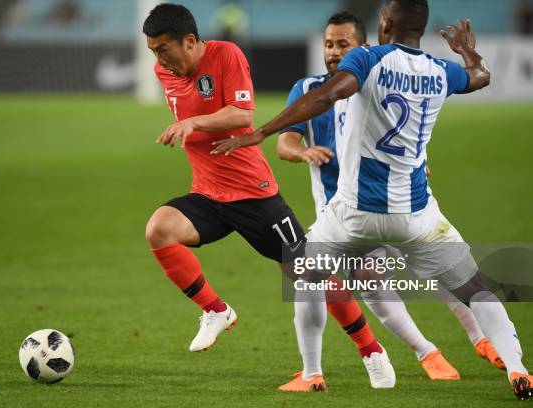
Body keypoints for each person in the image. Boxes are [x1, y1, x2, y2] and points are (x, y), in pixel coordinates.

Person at [212, 0, 531, 400]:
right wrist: (467, 51)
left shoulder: (367, 59)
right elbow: (480, 76)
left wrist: (262, 132)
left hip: (353, 214)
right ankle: (519, 370)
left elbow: (329, 96)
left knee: (305, 275)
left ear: (384, 23)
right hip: (416, 213)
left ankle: (312, 373)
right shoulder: (439, 70)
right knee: (476, 289)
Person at [142, 4, 394, 390]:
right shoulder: (166, 70)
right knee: (159, 229)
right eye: (154, 51)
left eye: (162, 49)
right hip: (208, 192)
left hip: (253, 195)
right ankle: (216, 311)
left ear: (189, 41)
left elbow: (243, 116)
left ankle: (371, 351)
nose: (159, 60)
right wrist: (190, 122)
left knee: (310, 277)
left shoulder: (226, 55)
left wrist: (191, 122)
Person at [276, 10, 504, 383]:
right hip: (342, 212)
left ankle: (480, 339)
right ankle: (426, 352)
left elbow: (407, 136)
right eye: (328, 44)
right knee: (373, 282)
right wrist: (302, 152)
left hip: (389, 200)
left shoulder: (372, 81)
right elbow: (285, 142)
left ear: (362, 47)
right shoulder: (308, 91)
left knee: (431, 270)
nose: (333, 52)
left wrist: (418, 164)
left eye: (342, 44)